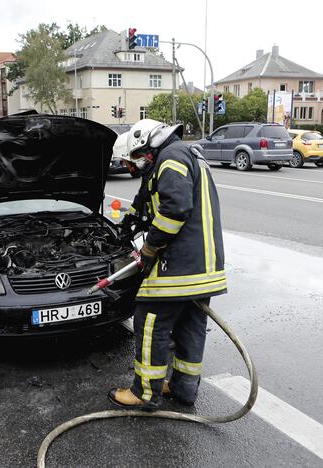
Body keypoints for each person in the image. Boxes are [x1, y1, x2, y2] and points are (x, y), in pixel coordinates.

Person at [108, 119, 226, 409]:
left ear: (147, 147)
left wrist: (149, 249)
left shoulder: (170, 158)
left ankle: (145, 393)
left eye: (134, 160)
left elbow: (175, 208)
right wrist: (129, 222)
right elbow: (147, 197)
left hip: (178, 266)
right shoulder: (182, 154)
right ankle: (184, 389)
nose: (132, 168)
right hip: (205, 267)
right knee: (190, 326)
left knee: (149, 322)